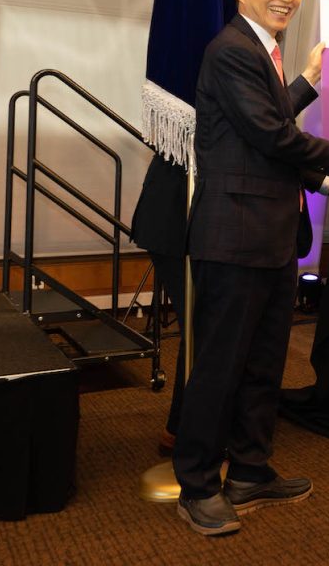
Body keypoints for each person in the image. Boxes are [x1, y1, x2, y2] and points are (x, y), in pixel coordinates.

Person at [173, 0, 329, 536]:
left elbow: (265, 124)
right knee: (220, 367)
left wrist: (305, 86)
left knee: (262, 365)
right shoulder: (232, 50)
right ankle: (198, 485)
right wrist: (325, 154)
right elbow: (271, 134)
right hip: (232, 238)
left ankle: (250, 470)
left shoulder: (266, 54)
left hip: (272, 237)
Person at [130, 152, 189, 454]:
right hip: (174, 221)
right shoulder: (190, 106)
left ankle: (183, 428)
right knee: (201, 329)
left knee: (202, 328)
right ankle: (181, 431)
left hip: (178, 221)